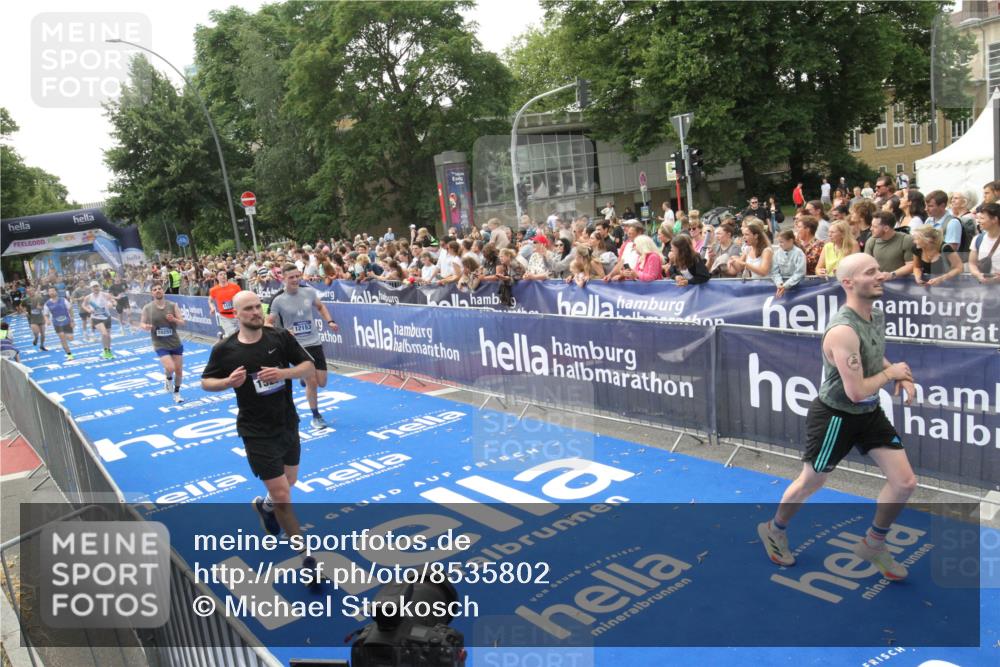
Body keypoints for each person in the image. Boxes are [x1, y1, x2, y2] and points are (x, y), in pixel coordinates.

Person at [758, 253, 917, 580]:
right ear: (848, 283)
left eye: (878, 269)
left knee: (904, 482)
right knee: (812, 481)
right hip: (835, 416)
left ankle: (874, 544)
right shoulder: (841, 331)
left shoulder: (876, 315)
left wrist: (895, 372)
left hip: (868, 413)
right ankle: (774, 529)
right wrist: (892, 375)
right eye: (870, 272)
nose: (880, 276)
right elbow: (855, 391)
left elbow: (873, 354)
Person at [201, 291, 317, 581]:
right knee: (282, 495)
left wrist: (283, 374)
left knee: (290, 480)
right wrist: (228, 382)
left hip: (287, 423)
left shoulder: (279, 337)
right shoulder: (225, 349)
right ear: (235, 315)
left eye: (257, 307)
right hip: (256, 432)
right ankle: (306, 558)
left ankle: (263, 507)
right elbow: (206, 382)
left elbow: (308, 366)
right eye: (248, 309)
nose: (255, 312)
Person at [267, 264, 340, 430]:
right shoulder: (278, 300)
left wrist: (330, 321)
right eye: (290, 277)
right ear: (283, 279)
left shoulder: (308, 292)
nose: (294, 280)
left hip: (314, 342)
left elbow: (320, 306)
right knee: (312, 382)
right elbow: (267, 323)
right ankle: (316, 416)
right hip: (297, 347)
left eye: (297, 276)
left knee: (322, 382)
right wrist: (284, 332)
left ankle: (303, 377)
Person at [141, 282, 186, 403]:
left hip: (174, 342)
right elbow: (142, 323)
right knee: (170, 367)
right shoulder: (147, 308)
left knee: (179, 370)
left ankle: (177, 393)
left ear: (163, 291)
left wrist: (174, 319)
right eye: (154, 289)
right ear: (152, 293)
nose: (157, 291)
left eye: (159, 288)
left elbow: (182, 322)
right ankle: (168, 379)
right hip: (159, 342)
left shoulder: (172, 305)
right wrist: (146, 326)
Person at [864, 210, 915, 281]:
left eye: (875, 227)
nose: (871, 229)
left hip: (901, 283)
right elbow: (866, 264)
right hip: (878, 282)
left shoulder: (906, 240)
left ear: (886, 228)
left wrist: (892, 274)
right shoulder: (871, 241)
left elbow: (912, 265)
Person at [82, 281, 116, 359]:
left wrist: (112, 304)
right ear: (91, 288)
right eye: (94, 287)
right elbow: (83, 305)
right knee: (104, 334)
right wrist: (88, 310)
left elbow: (113, 301)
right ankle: (106, 351)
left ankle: (108, 350)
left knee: (108, 336)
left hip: (107, 317)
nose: (95, 288)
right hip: (96, 318)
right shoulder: (88, 297)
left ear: (99, 286)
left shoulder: (105, 295)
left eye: (96, 286)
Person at [970, 202, 1000, 284]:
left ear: (995, 219)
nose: (978, 221)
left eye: (982, 218)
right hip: (983, 291)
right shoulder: (977, 239)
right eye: (978, 218)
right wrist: (978, 274)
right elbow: (972, 263)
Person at [771, 230, 806, 298]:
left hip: (797, 287)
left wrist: (786, 285)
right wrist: (779, 284)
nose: (779, 244)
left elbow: (800, 272)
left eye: (782, 242)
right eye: (779, 242)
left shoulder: (799, 253)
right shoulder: (777, 253)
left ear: (790, 241)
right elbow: (774, 272)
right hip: (781, 286)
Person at [43, 287, 75, 361]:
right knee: (62, 337)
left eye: (53, 291)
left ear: (56, 292)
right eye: (50, 291)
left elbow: (70, 309)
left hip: (67, 321)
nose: (51, 292)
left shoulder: (63, 300)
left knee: (70, 338)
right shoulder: (47, 304)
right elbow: (45, 314)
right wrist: (47, 320)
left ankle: (65, 338)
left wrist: (72, 320)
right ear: (48, 293)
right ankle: (69, 355)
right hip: (57, 323)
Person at [209, 269, 242, 339]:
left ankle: (222, 337)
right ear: (217, 277)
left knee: (240, 334)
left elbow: (241, 297)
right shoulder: (214, 290)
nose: (223, 276)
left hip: (237, 315)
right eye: (220, 274)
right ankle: (225, 337)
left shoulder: (235, 287)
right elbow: (210, 301)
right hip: (225, 316)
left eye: (224, 274)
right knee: (232, 334)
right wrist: (212, 308)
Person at [26, 286, 47, 351]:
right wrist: (25, 312)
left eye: (31, 291)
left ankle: (42, 345)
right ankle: (36, 338)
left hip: (40, 318)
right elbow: (22, 306)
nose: (30, 292)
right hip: (32, 319)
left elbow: (43, 307)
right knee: (36, 333)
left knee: (43, 334)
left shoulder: (39, 298)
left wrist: (39, 307)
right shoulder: (26, 299)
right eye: (28, 291)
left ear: (34, 290)